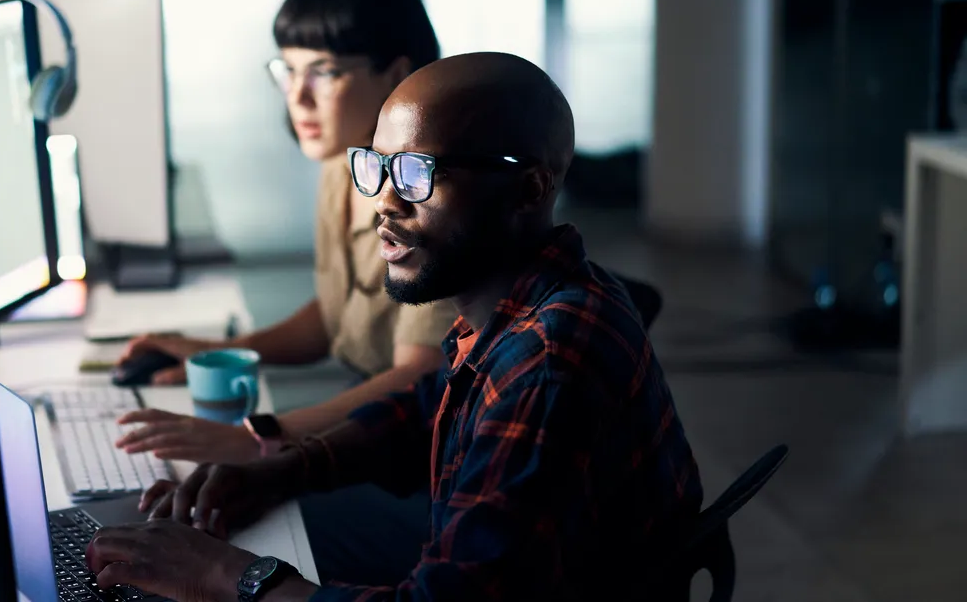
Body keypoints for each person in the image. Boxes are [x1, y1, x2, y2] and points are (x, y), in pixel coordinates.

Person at [84, 52, 704, 601]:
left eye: (416, 174)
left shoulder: (547, 363)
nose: (383, 200)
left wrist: (228, 577)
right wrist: (281, 471)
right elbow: (428, 408)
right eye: (376, 166)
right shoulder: (522, 301)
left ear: (528, 188)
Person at [112, 0, 458, 466]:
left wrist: (264, 436)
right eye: (287, 71)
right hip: (364, 420)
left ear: (397, 73)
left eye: (324, 72)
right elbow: (338, 315)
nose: (298, 97)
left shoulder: (424, 198)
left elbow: (417, 375)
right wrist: (220, 350)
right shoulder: (348, 160)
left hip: (422, 450)